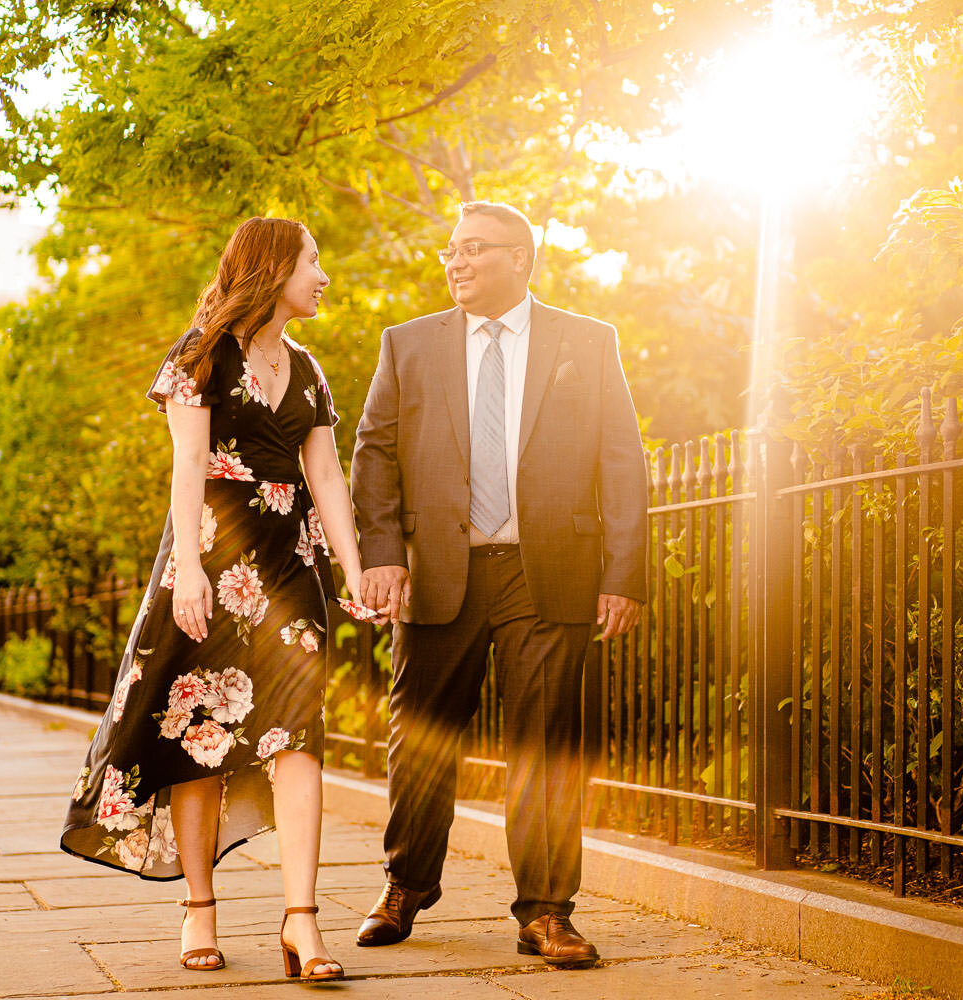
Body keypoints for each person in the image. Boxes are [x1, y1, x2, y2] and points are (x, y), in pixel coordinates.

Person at [61, 217, 360, 982]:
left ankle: (302, 921)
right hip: (209, 565)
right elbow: (187, 466)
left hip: (291, 573)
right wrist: (189, 569)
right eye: (313, 262)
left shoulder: (310, 369)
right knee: (201, 734)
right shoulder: (197, 357)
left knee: (298, 737)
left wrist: (353, 573)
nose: (323, 275)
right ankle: (200, 907)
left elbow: (326, 479)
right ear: (273, 269)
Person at [350, 201, 647, 967]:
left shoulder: (588, 340)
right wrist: (382, 552)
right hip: (436, 572)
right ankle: (406, 885)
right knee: (420, 739)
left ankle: (547, 912)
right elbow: (374, 449)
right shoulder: (407, 345)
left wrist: (624, 574)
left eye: (473, 249)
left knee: (545, 743)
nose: (455, 262)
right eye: (449, 250)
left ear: (521, 258)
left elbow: (622, 458)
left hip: (547, 571)